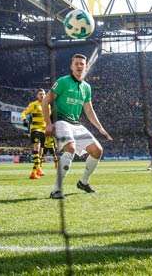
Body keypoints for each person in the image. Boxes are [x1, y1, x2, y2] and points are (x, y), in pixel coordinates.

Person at [42, 54, 113, 199]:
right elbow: (45, 101)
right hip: (60, 120)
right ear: (71, 66)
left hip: (75, 123)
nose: (80, 66)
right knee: (70, 148)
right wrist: (48, 124)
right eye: (77, 64)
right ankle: (56, 189)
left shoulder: (87, 87)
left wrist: (100, 128)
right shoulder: (63, 81)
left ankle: (83, 182)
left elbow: (88, 110)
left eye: (82, 64)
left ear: (86, 67)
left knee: (97, 150)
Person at [21, 89, 50, 179]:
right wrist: (24, 119)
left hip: (44, 130)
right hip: (35, 128)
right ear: (37, 96)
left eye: (43, 94)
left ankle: (34, 172)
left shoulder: (47, 106)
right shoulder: (33, 104)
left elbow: (48, 118)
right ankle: (38, 168)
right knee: (36, 146)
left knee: (41, 151)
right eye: (40, 94)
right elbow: (24, 113)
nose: (42, 95)